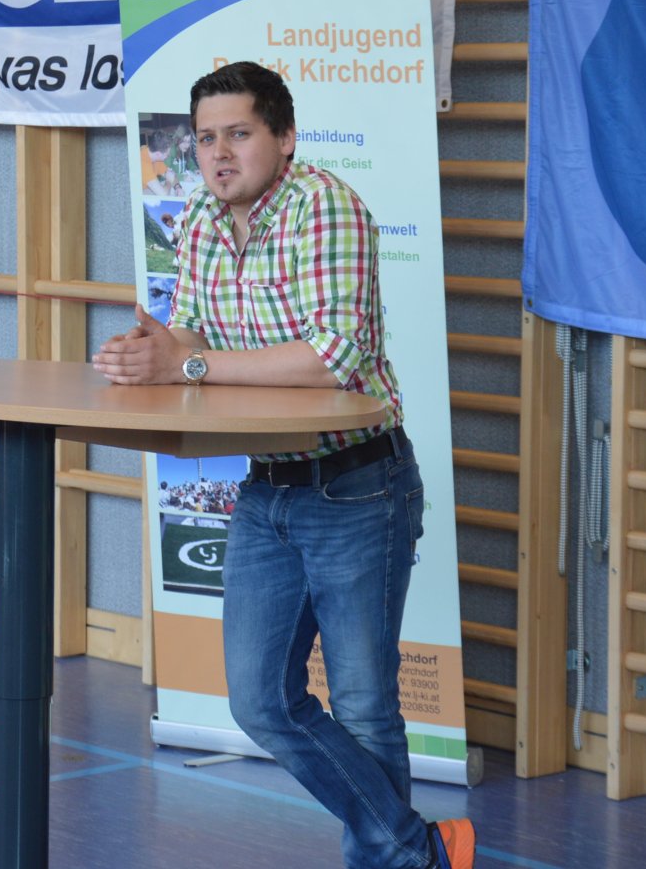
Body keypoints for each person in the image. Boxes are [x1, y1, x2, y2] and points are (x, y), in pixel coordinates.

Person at [92, 61, 474, 869]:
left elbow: (333, 357)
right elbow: (192, 333)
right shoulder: (199, 221)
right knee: (261, 700)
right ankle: (417, 850)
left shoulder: (324, 207)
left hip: (358, 485)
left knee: (364, 707)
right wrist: (151, 353)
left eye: (239, 133)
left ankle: (390, 862)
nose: (218, 153)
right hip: (266, 488)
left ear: (286, 137)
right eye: (206, 139)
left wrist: (187, 365)